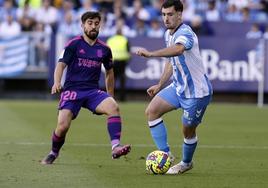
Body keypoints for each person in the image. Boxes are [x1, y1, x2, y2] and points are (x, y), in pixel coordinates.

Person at [41, 11, 131, 165]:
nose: (93, 26)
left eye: (96, 23)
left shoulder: (104, 49)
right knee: (62, 126)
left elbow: (110, 72)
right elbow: (61, 64)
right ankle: (53, 152)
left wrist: (110, 96)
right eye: (90, 23)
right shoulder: (73, 44)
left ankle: (116, 146)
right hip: (72, 90)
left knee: (113, 107)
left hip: (91, 91)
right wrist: (57, 82)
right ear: (82, 25)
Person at [136, 0, 212, 175]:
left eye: (170, 14)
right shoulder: (168, 33)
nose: (166, 18)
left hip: (196, 93)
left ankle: (186, 163)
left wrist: (151, 54)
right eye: (163, 14)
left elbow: (178, 50)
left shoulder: (186, 33)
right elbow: (172, 62)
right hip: (178, 88)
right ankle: (166, 155)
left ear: (180, 14)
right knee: (152, 111)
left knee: (187, 131)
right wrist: (160, 84)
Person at [107, 19, 131, 101]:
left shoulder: (110, 40)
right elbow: (128, 52)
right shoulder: (125, 39)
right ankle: (122, 98)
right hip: (122, 62)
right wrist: (128, 60)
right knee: (122, 80)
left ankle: (110, 97)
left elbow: (107, 51)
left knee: (111, 80)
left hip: (112, 62)